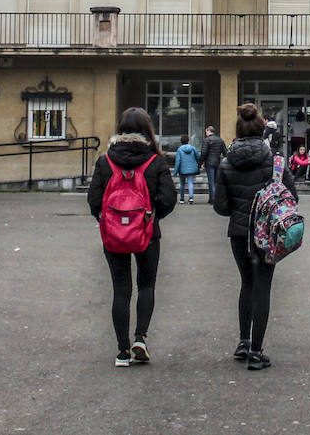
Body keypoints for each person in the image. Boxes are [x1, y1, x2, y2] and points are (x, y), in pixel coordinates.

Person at [86, 107, 177, 367]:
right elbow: (169, 199)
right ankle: (140, 338)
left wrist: (109, 221)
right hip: (147, 233)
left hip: (113, 235)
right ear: (147, 129)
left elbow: (94, 200)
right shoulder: (155, 160)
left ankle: (122, 351)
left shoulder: (105, 160)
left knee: (120, 290)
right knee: (146, 286)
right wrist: (152, 216)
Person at [214, 103, 298, 370]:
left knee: (246, 283)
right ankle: (258, 351)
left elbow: (220, 206)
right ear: (263, 130)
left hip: (239, 233)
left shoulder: (227, 162)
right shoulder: (275, 161)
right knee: (263, 285)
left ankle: (244, 341)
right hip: (268, 233)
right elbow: (292, 197)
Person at [199, 125, 227, 204]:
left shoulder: (206, 140)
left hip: (209, 163)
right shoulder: (220, 140)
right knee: (216, 182)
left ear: (208, 131)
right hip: (218, 163)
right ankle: (214, 198)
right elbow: (225, 152)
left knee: (211, 182)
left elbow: (203, 153)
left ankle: (213, 199)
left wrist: (200, 163)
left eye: (206, 132)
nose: (206, 133)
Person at [174, 134, 202, 204]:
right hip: (191, 169)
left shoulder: (179, 149)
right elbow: (198, 157)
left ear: (181, 142)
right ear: (188, 141)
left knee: (182, 184)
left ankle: (182, 199)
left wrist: (175, 172)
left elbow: (178, 161)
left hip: (182, 170)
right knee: (190, 183)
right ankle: (191, 198)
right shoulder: (193, 148)